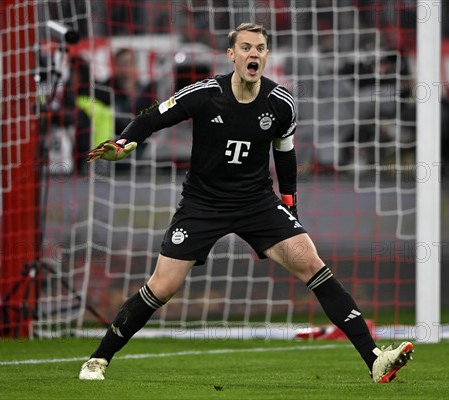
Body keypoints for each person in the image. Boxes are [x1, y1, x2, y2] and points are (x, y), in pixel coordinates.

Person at [79, 22, 413, 383]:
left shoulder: (281, 103)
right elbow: (153, 117)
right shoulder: (205, 94)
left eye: (260, 48)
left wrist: (291, 208)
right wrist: (124, 143)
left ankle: (375, 358)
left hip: (257, 203)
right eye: (247, 47)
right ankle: (98, 359)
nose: (254, 54)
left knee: (312, 263)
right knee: (162, 286)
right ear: (232, 55)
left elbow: (285, 157)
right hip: (202, 205)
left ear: (266, 55)